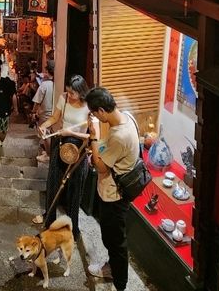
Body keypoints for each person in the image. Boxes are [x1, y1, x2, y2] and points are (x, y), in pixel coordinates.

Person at [86, 87, 139, 291]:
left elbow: (100, 166)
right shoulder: (127, 117)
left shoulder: (119, 136)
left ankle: (120, 283)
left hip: (113, 196)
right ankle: (112, 269)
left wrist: (94, 137)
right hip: (114, 191)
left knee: (115, 241)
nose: (95, 117)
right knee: (112, 238)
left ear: (101, 111)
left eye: (94, 112)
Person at [32, 75, 90, 239]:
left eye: (73, 93)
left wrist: (71, 132)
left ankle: (72, 228)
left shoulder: (89, 106)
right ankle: (49, 220)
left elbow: (90, 136)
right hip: (61, 143)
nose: (69, 95)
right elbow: (55, 118)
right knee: (53, 183)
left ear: (81, 92)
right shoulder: (63, 98)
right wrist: (43, 126)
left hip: (78, 148)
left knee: (74, 189)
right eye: (68, 92)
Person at [31, 61, 55, 160]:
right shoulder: (58, 83)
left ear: (47, 71)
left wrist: (33, 112)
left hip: (46, 113)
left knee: (46, 134)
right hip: (56, 113)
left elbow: (37, 101)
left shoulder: (45, 85)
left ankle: (48, 155)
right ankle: (48, 152)